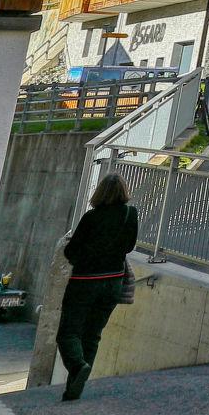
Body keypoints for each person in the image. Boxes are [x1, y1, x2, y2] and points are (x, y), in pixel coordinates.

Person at [56, 171, 138, 401]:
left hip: (85, 282)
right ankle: (75, 388)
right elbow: (129, 246)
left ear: (100, 192)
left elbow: (71, 252)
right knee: (92, 335)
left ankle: (77, 365)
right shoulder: (131, 214)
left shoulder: (91, 218)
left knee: (68, 333)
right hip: (113, 281)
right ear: (124, 191)